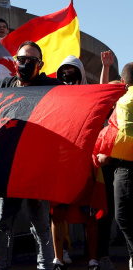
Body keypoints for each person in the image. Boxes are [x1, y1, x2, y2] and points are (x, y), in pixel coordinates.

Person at [0, 41, 63, 270]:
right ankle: (1, 266)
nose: (25, 63)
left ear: (40, 64)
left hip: (37, 168)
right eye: (21, 59)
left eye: (31, 60)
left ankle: (45, 266)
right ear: (15, 61)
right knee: (3, 222)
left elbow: (73, 103)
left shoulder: (52, 87)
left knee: (40, 224)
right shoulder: (3, 85)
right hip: (9, 169)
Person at [51, 55, 100, 270]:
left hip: (84, 162)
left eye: (72, 71)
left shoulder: (90, 96)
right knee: (58, 212)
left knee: (89, 211)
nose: (67, 76)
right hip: (61, 163)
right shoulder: (55, 96)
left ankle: (93, 259)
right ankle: (58, 258)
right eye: (64, 72)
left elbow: (102, 99)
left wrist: (106, 68)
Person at [95, 62, 133, 270]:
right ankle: (102, 256)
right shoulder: (110, 111)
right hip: (109, 171)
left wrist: (107, 152)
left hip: (121, 166)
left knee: (123, 216)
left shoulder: (125, 105)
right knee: (109, 213)